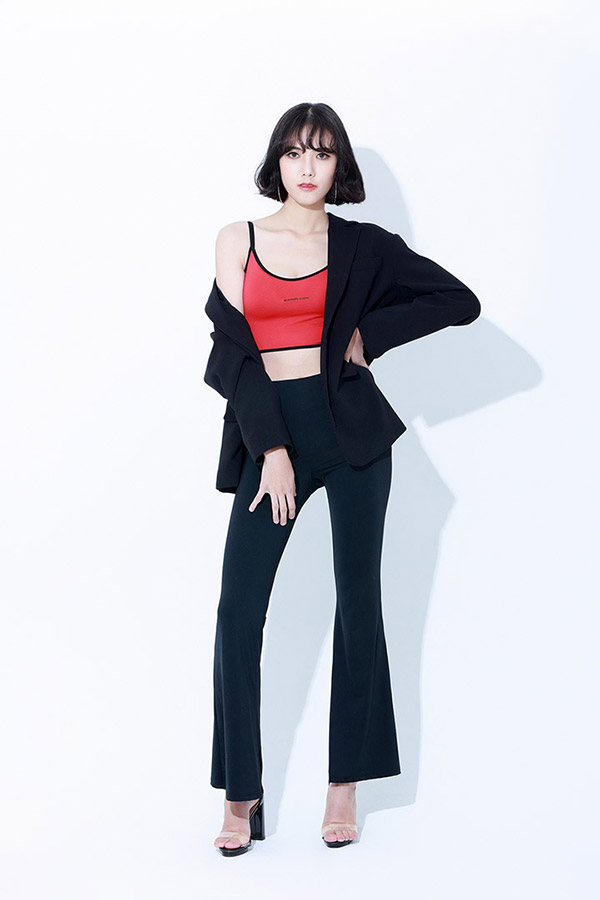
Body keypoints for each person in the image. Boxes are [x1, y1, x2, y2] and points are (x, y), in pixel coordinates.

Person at [205, 102, 481, 856]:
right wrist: (272, 448)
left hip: (353, 435)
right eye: (295, 151)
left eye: (322, 153)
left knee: (359, 604)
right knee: (238, 612)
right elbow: (232, 355)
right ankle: (241, 792)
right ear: (277, 160)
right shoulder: (237, 239)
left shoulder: (363, 246)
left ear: (339, 166)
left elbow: (458, 300)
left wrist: (369, 333)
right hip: (271, 439)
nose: (307, 167)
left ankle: (344, 786)